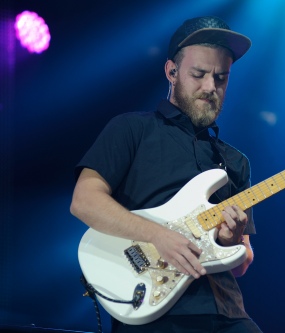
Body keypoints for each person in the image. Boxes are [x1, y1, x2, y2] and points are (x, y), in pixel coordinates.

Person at [70, 16, 262, 333]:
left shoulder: (235, 162)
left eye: (221, 78)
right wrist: (159, 236)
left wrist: (230, 240)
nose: (210, 87)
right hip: (150, 304)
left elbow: (242, 262)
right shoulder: (132, 129)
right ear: (171, 71)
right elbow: (84, 201)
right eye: (198, 74)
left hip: (226, 312)